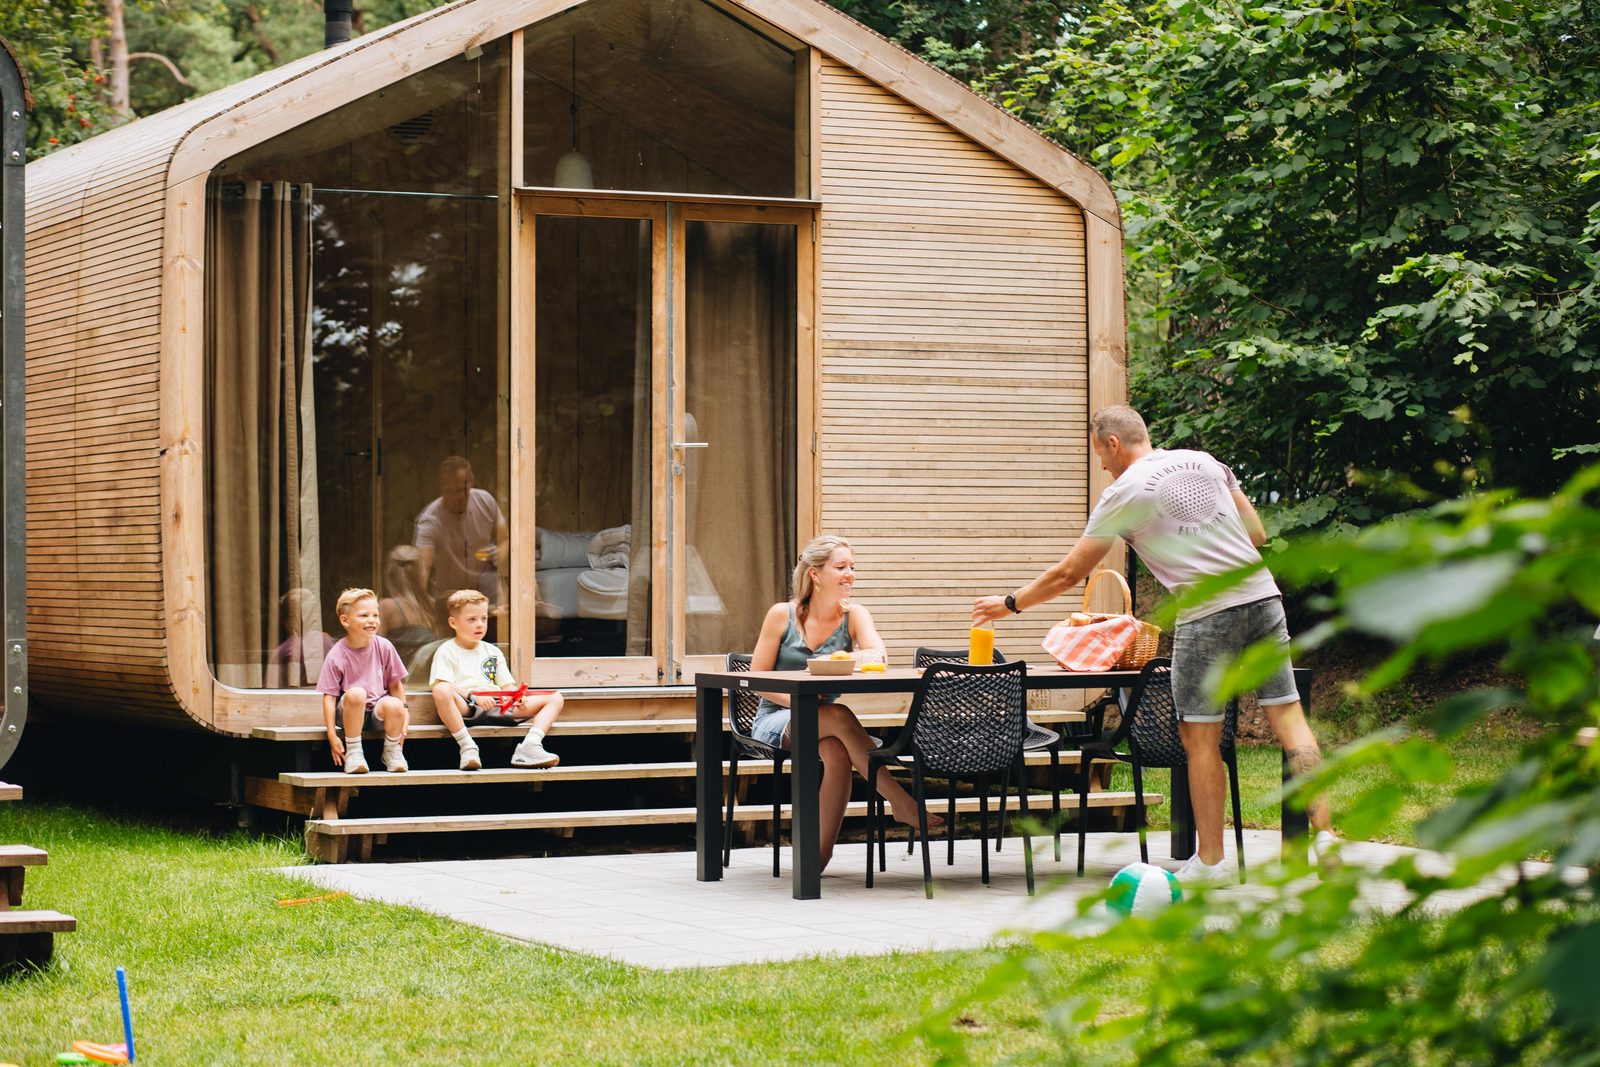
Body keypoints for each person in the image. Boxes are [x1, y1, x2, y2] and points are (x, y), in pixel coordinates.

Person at [973, 405, 1339, 882]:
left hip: (1208, 614)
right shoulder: (1206, 463)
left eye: (1100, 456)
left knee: (1199, 739)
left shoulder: (1122, 493)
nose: (1103, 466)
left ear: (1112, 444)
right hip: (1263, 597)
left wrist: (1010, 603)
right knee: (1291, 722)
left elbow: (1069, 573)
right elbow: (1257, 533)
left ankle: (1210, 862)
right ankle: (1327, 837)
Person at [751, 534, 941, 872]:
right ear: (815, 574)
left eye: (852, 567)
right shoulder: (782, 615)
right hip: (779, 718)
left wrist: (850, 655)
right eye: (841, 567)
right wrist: (798, 702)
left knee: (838, 753)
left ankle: (814, 862)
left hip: (823, 721)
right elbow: (757, 679)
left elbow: (878, 655)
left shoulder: (854, 615)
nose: (850, 574)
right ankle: (899, 800)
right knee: (838, 715)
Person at [429, 589, 565, 770]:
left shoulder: (492, 651)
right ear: (453, 623)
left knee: (556, 698)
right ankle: (467, 747)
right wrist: (473, 696)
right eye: (472, 619)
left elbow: (506, 684)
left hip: (499, 706)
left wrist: (516, 696)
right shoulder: (447, 650)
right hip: (468, 706)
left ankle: (530, 746)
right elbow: (445, 683)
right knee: (441, 690)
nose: (480, 624)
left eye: (484, 618)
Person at [317, 587, 411, 775]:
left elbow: (395, 685)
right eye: (364, 615)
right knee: (357, 693)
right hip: (350, 711)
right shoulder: (337, 654)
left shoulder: (384, 646)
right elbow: (329, 697)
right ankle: (354, 752)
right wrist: (331, 734)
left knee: (395, 704)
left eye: (375, 615)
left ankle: (392, 751)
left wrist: (405, 718)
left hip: (377, 712)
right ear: (345, 621)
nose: (372, 620)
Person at [414, 456, 508, 610]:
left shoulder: (485, 500)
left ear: (471, 482)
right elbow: (422, 568)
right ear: (440, 487)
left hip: (488, 591)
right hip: (451, 597)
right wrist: (423, 604)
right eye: (448, 491)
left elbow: (507, 540)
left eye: (460, 490)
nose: (455, 497)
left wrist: (500, 554)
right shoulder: (429, 520)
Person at [379, 544, 439, 668]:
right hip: (429, 679)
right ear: (422, 574)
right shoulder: (433, 605)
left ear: (389, 575)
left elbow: (375, 652)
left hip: (397, 681)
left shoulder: (386, 607)